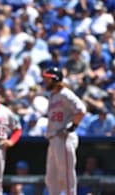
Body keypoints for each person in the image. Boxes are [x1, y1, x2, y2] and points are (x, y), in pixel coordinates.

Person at [42, 67, 86, 195]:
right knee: (51, 179)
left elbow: (81, 110)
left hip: (64, 138)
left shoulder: (66, 93)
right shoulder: (53, 95)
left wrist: (72, 126)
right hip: (53, 138)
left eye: (48, 79)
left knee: (66, 178)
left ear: (55, 79)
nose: (45, 81)